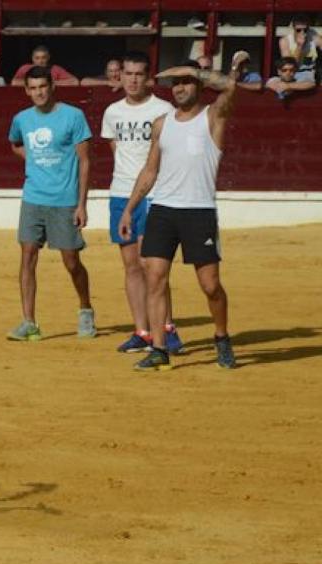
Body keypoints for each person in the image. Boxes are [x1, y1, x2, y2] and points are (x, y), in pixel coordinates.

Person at [119, 51, 251, 371]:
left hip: (199, 211)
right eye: (175, 83)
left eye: (186, 82)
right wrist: (129, 210)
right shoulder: (162, 124)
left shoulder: (212, 116)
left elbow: (230, 89)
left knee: (209, 285)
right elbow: (150, 171)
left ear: (199, 85)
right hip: (163, 209)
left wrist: (201, 72)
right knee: (155, 278)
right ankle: (159, 348)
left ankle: (221, 336)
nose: (179, 88)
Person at [100, 52, 183, 354]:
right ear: (119, 76)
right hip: (120, 191)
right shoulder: (112, 113)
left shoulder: (164, 110)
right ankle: (143, 331)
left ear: (148, 78)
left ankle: (168, 329)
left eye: (139, 74)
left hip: (155, 194)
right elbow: (116, 150)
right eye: (128, 73)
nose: (133, 79)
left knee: (153, 266)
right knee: (131, 265)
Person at [6, 65, 95, 341]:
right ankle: (29, 321)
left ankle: (85, 309)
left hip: (64, 200)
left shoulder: (73, 116)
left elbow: (85, 161)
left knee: (71, 261)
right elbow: (15, 144)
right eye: (32, 88)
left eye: (42, 87)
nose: (38, 93)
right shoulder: (21, 119)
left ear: (52, 87)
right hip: (33, 197)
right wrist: (32, 159)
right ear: (26, 90)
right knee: (27, 257)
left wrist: (82, 204)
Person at [278, 15, 320, 83]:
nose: (302, 33)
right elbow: (289, 64)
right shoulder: (285, 41)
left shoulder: (313, 37)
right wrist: (299, 46)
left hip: (308, 73)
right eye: (298, 30)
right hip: (291, 72)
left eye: (305, 30)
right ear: (293, 29)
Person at [11, 45, 78, 87]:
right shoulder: (25, 68)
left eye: (43, 58)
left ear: (48, 58)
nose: (40, 61)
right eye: (37, 58)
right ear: (32, 58)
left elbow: (75, 81)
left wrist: (51, 83)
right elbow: (14, 82)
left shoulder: (55, 69)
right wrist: (35, 83)